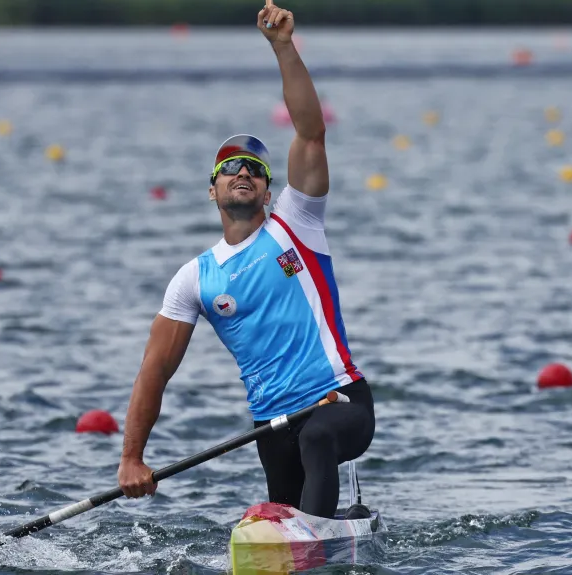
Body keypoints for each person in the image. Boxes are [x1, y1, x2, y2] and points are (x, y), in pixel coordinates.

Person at [116, 1, 376, 520]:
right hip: (271, 426)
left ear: (267, 189)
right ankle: (307, 534)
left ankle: (311, 539)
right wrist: (131, 458)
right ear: (211, 192)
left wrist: (283, 47)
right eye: (229, 167)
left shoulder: (295, 224)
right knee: (282, 506)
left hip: (338, 403)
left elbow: (310, 132)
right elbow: (155, 370)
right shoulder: (194, 279)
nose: (242, 172)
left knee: (320, 438)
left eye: (254, 168)